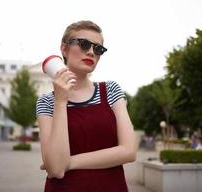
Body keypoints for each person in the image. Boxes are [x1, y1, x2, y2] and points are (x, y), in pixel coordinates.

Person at [36, 20, 136, 191]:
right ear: (64, 48)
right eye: (84, 44)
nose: (91, 52)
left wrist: (69, 161)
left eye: (98, 49)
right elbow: (56, 170)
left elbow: (129, 151)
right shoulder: (46, 101)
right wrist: (60, 101)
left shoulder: (111, 90)